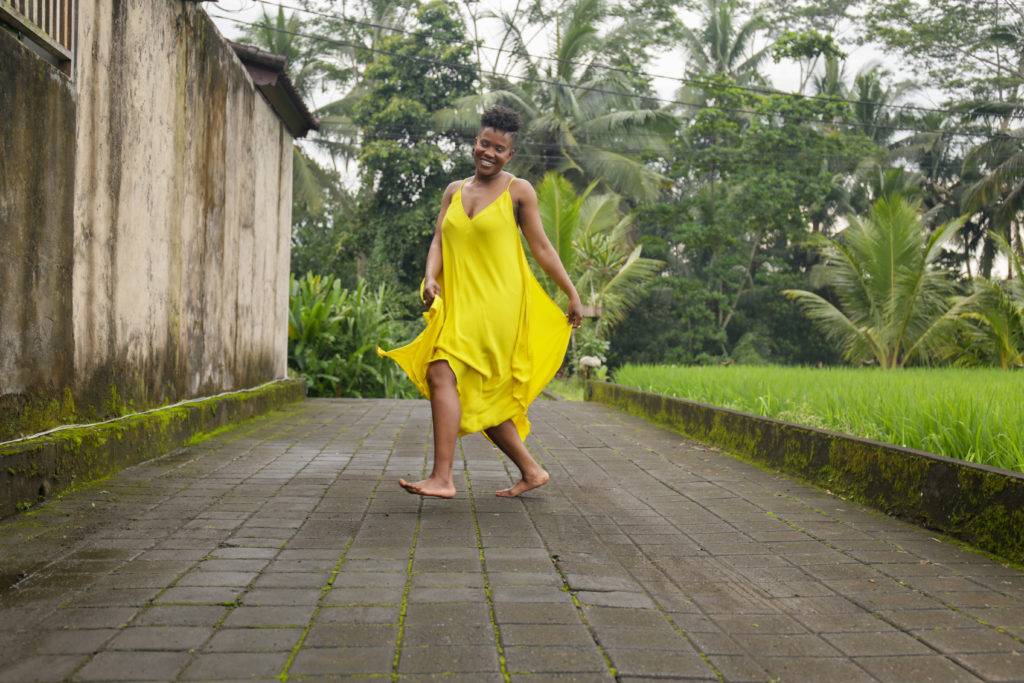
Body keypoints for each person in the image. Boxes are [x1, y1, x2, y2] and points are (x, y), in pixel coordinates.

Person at [378, 105, 583, 499]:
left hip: (498, 306)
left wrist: (571, 292)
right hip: (461, 303)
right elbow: (439, 239)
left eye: (499, 149)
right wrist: (431, 277)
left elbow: (541, 246)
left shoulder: (518, 191)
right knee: (475, 393)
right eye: (484, 144)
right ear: (475, 142)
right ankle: (532, 470)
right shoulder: (454, 191)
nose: (489, 153)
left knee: (441, 370)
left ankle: (442, 477)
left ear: (510, 155)